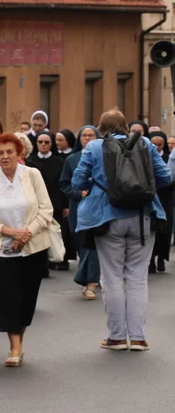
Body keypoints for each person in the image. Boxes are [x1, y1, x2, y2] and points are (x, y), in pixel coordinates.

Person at [73, 109, 172, 351]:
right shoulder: (145, 143)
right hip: (143, 216)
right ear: (126, 126)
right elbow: (166, 176)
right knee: (138, 278)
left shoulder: (94, 147)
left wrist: (94, 185)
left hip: (107, 217)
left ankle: (116, 336)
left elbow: (77, 181)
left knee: (112, 277)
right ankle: (138, 337)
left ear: (101, 128)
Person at [0, 133, 53, 367]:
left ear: (19, 153)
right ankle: (15, 347)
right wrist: (10, 232)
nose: (5, 157)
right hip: (2, 251)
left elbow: (46, 210)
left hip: (32, 249)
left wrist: (26, 233)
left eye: (10, 152)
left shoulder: (32, 175)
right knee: (9, 298)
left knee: (26, 299)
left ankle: (18, 340)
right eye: (0, 153)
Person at [60, 126, 101, 299]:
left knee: (92, 245)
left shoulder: (102, 157)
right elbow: (64, 184)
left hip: (97, 207)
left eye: (91, 135)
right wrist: (78, 193)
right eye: (84, 136)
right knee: (82, 245)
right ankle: (88, 279)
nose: (87, 138)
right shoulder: (72, 159)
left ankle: (90, 283)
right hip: (78, 208)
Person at [27, 131, 71, 272]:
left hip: (55, 202)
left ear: (51, 144)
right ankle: (43, 265)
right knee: (38, 233)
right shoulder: (31, 161)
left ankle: (58, 258)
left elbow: (63, 184)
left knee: (56, 232)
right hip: (35, 203)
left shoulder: (59, 162)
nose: (43, 145)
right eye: (40, 142)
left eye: (46, 142)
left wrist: (66, 205)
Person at [148, 130, 173, 273]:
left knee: (164, 230)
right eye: (154, 144)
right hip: (152, 197)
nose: (157, 147)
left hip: (165, 198)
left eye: (160, 144)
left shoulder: (169, 158)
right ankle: (150, 260)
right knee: (152, 229)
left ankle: (161, 258)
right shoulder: (146, 158)